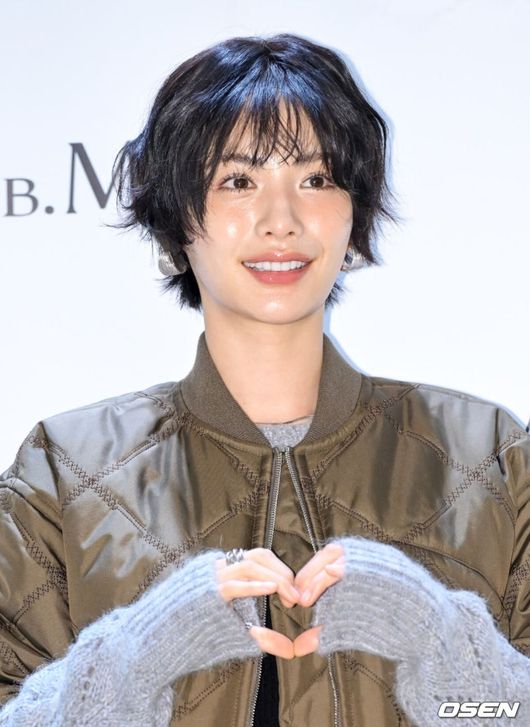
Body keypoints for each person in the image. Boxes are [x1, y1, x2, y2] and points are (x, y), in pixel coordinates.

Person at [1, 32, 529, 727]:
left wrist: (447, 645)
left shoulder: (488, 454)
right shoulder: (64, 470)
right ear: (176, 220)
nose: (282, 221)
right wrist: (134, 659)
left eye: (317, 179)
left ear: (354, 216)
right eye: (238, 181)